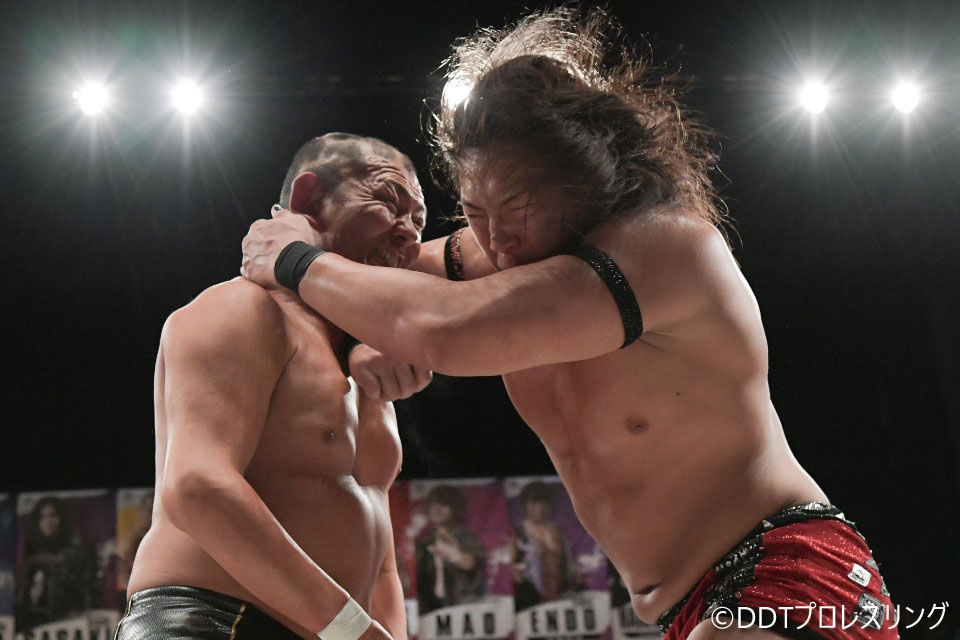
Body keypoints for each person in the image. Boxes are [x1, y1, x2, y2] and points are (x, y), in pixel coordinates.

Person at [240, 9, 897, 640]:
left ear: (583, 180)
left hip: (789, 566)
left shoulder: (668, 247)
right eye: (474, 210)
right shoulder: (500, 251)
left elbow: (444, 329)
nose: (495, 237)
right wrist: (363, 336)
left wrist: (294, 259)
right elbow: (385, 276)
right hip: (689, 607)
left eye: (517, 206)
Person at [121, 133, 430, 640]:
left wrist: (381, 634)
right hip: (208, 621)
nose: (409, 235)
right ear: (309, 199)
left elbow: (378, 550)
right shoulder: (240, 309)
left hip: (332, 630)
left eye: (419, 222)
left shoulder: (366, 370)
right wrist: (354, 631)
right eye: (390, 204)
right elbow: (198, 487)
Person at [414, 485, 486, 614]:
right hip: (430, 609)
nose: (437, 509)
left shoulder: (465, 537)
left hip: (461, 607)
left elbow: (473, 563)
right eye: (434, 504)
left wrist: (453, 555)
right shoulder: (425, 541)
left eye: (444, 505)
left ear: (454, 508)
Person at [510, 481, 578, 611]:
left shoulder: (558, 532)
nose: (539, 508)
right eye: (534, 503)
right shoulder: (516, 534)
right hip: (530, 600)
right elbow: (510, 568)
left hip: (561, 598)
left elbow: (568, 563)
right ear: (525, 505)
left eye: (544, 503)